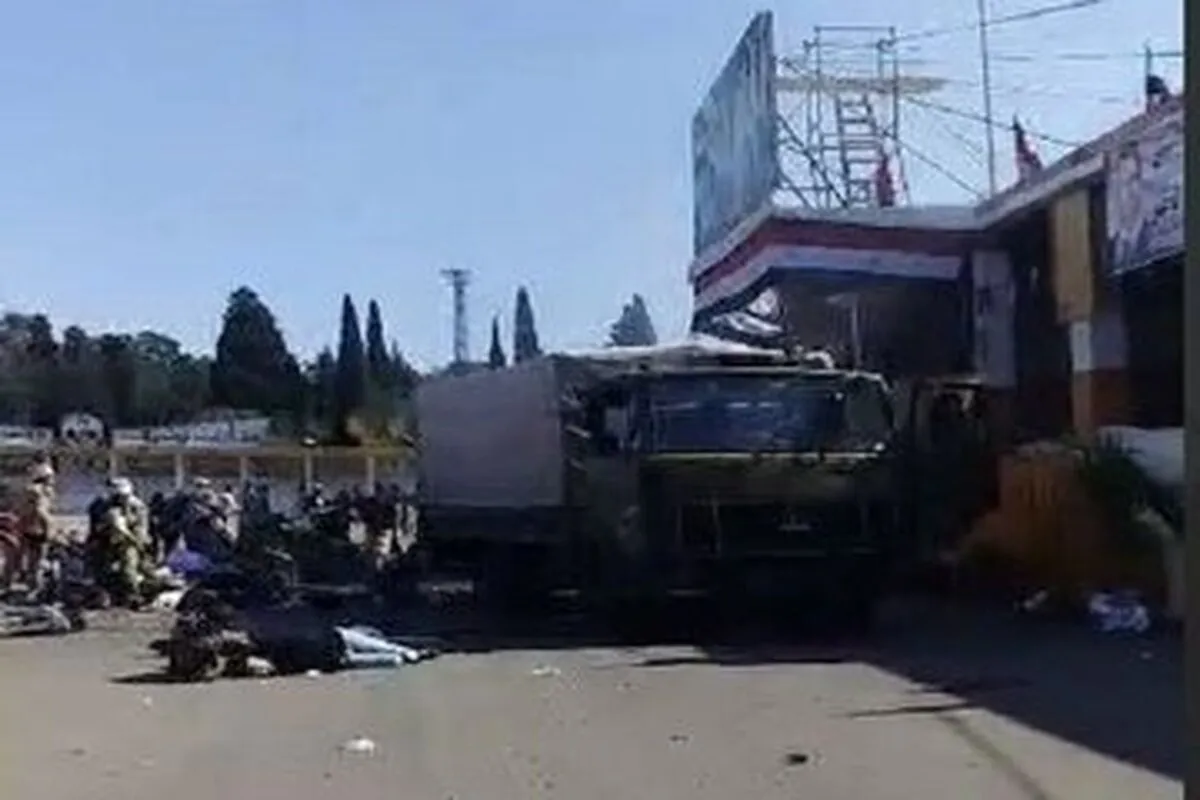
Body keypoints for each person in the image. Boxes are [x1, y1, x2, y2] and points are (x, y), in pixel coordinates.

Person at [99, 477, 152, 608]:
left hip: (131, 542)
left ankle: (135, 596)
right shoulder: (108, 504)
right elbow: (100, 525)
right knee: (104, 568)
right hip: (110, 541)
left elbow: (141, 529)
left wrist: (128, 534)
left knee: (129, 569)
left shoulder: (137, 506)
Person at [17, 461, 57, 591]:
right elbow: (41, 511)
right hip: (39, 530)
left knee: (32, 561)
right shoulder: (39, 491)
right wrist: (49, 529)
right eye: (50, 477)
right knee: (38, 561)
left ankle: (33, 585)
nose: (53, 480)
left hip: (29, 529)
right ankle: (36, 587)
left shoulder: (31, 490)